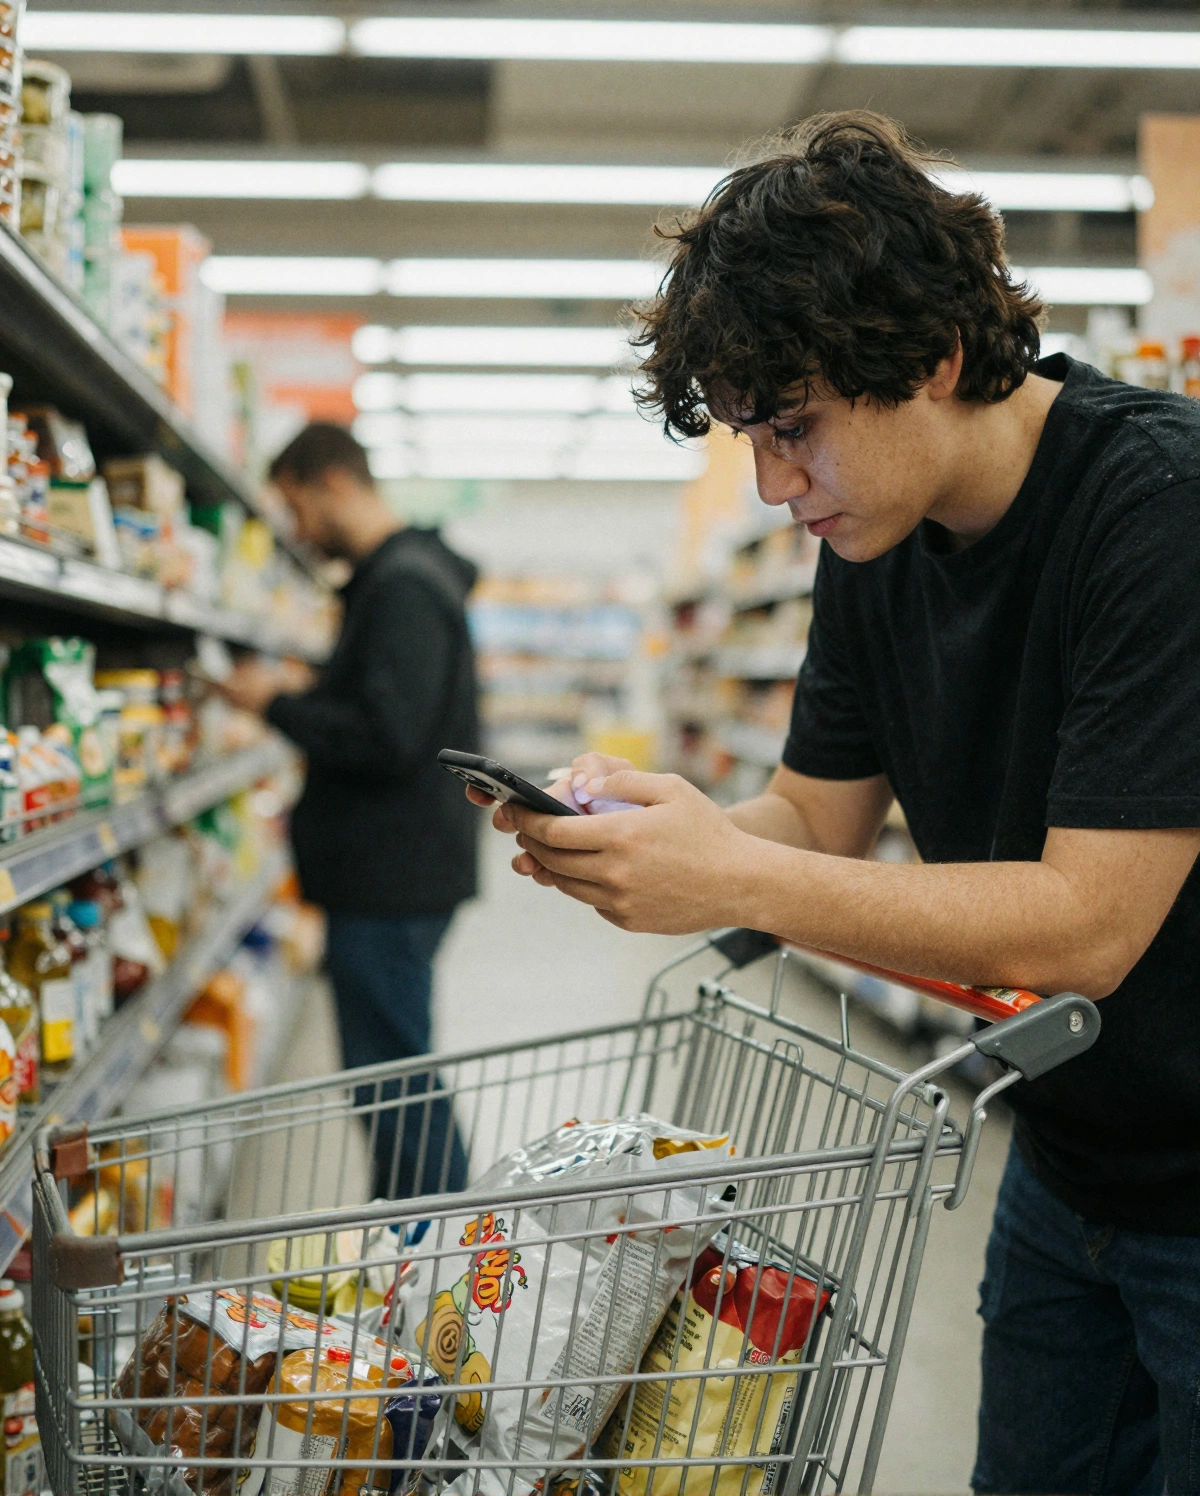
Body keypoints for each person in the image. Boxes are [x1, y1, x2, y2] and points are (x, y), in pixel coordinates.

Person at [467, 113, 1200, 1495]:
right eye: (749, 438)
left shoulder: (1158, 509)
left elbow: (1083, 929)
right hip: (1068, 1166)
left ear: (928, 359)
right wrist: (655, 838)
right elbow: (815, 823)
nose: (771, 485)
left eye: (793, 430)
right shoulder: (871, 537)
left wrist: (732, 882)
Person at [220, 421, 479, 1201]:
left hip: (391, 881)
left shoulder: (401, 585)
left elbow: (386, 736)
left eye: (296, 507)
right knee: (388, 1077)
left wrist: (281, 703)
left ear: (334, 482)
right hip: (387, 875)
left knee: (394, 1083)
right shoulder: (393, 579)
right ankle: (419, 1242)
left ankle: (433, 1247)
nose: (296, 530)